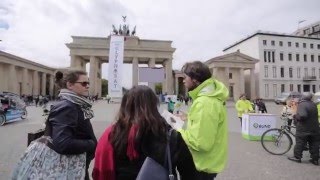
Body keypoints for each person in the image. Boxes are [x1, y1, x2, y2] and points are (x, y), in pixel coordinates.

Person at [93, 85, 196, 180]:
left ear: (125, 106)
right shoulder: (171, 135)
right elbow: (189, 173)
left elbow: (101, 168)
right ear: (154, 105)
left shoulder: (112, 134)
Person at [175, 61, 229, 180]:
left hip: (200, 165)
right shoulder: (209, 98)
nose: (183, 81)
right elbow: (208, 122)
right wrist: (189, 117)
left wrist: (177, 129)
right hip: (207, 162)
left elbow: (200, 143)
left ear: (195, 79)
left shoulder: (204, 102)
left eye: (185, 77)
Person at [49, 70, 97, 179]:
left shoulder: (75, 104)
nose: (88, 86)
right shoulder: (67, 107)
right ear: (70, 85)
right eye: (84, 83)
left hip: (76, 165)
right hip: (70, 167)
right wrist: (91, 144)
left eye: (88, 83)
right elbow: (63, 143)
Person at [288, 92, 320, 166]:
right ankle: (315, 159)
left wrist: (295, 116)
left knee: (300, 142)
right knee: (314, 143)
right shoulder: (313, 104)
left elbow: (302, 116)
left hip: (304, 128)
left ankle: (297, 157)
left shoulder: (302, 104)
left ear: (302, 97)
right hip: (315, 128)